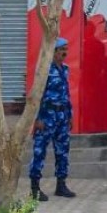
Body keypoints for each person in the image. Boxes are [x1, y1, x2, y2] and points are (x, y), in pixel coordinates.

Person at [29, 38, 76, 201]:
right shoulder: (45, 70)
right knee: (39, 151)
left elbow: (67, 95)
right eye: (62, 49)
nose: (65, 52)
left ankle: (61, 185)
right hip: (47, 116)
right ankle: (34, 188)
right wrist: (38, 118)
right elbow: (37, 95)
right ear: (54, 51)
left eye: (66, 49)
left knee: (62, 151)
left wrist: (70, 116)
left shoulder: (65, 69)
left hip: (62, 117)